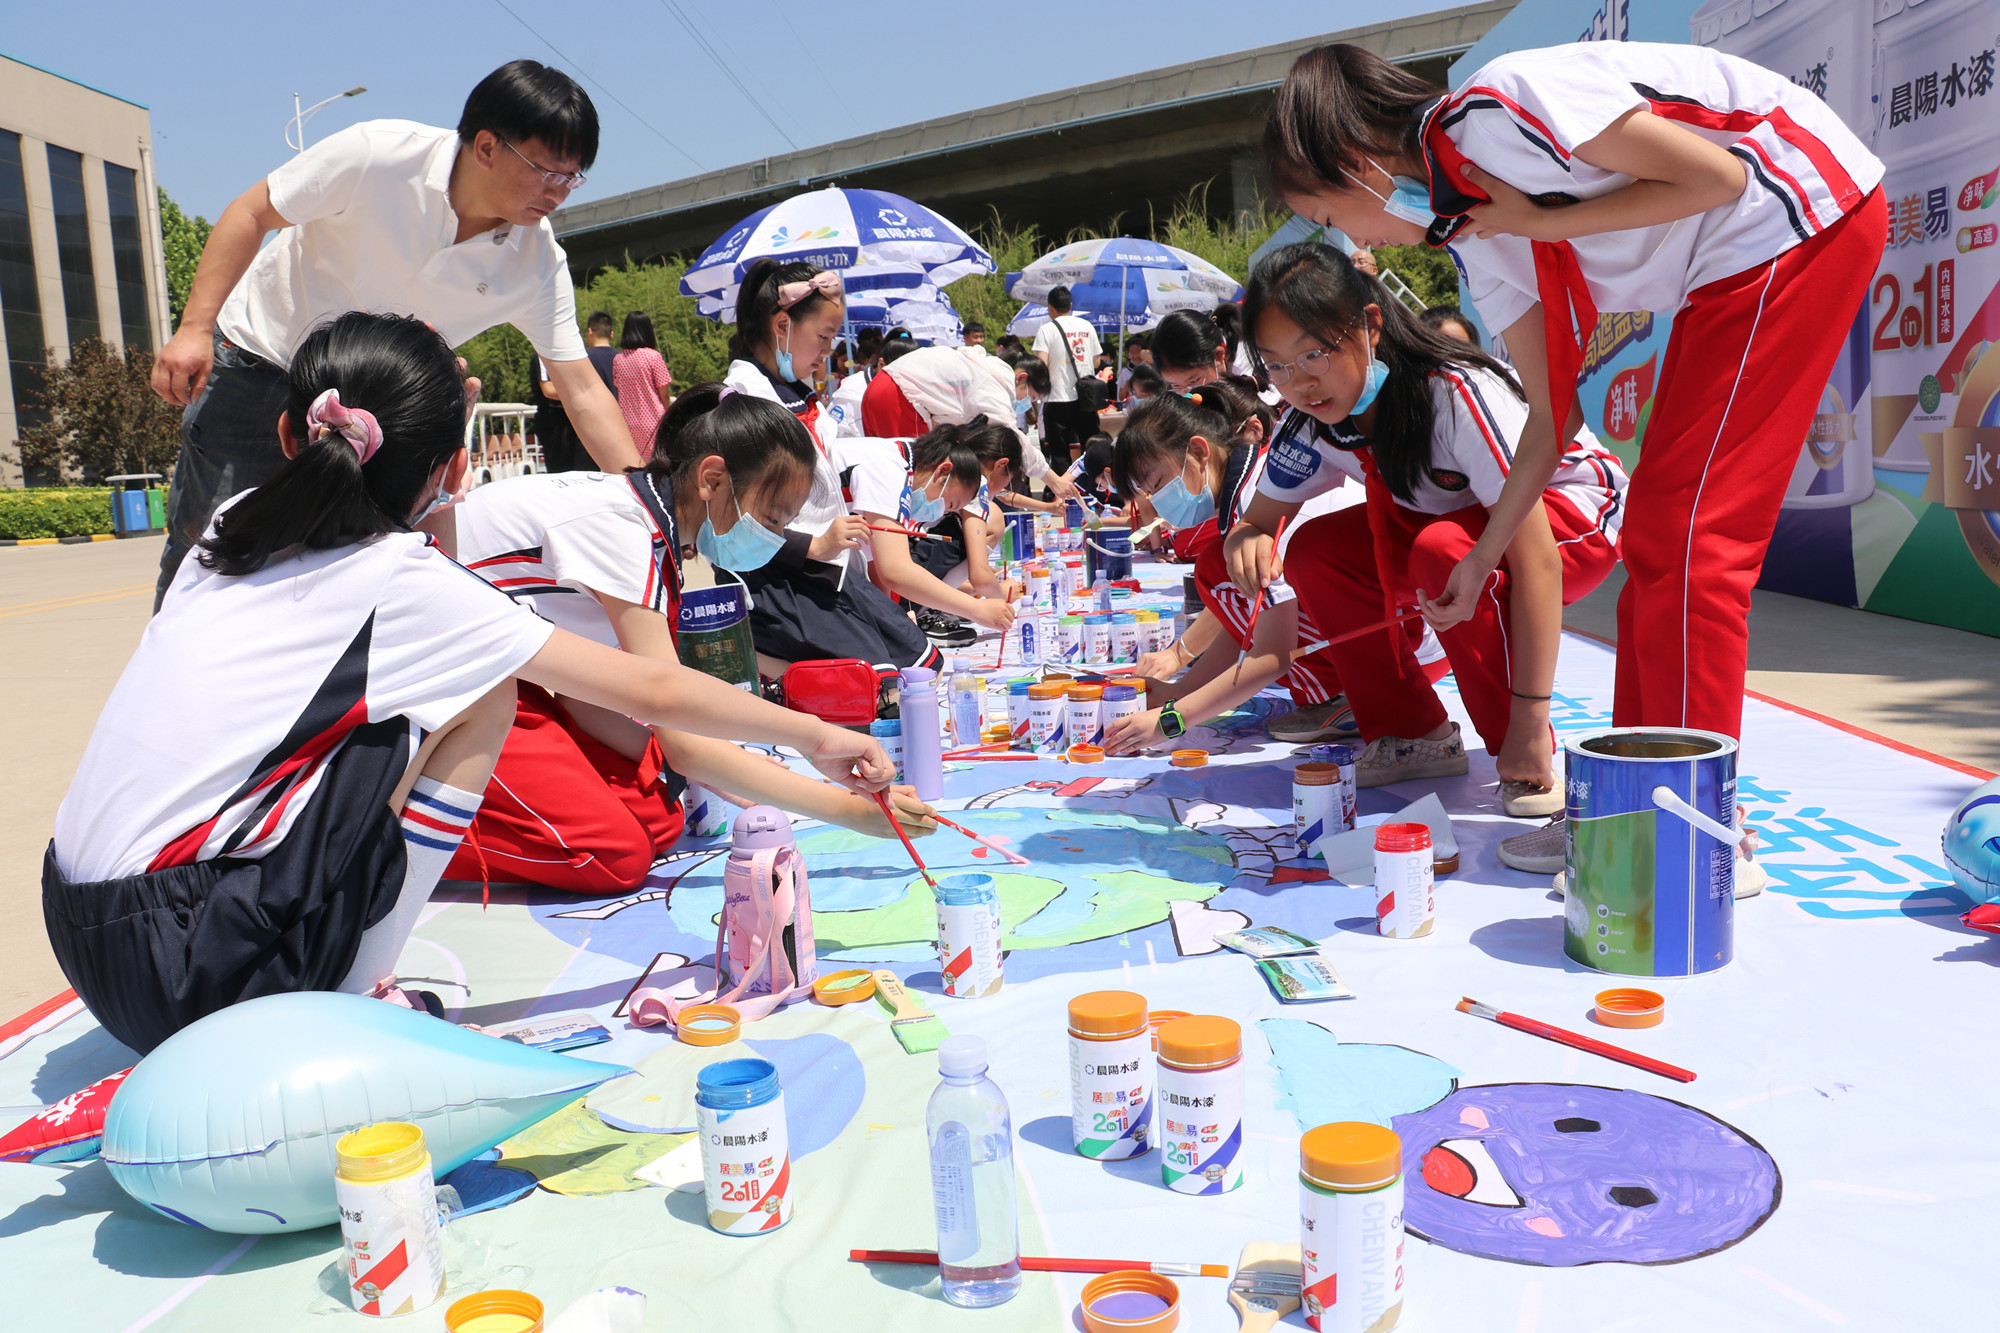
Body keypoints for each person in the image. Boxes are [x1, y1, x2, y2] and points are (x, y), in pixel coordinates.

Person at [45, 313, 892, 1055]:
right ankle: (357, 996)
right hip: (183, 974)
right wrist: (821, 739)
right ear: (455, 473)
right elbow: (659, 699)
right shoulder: (409, 579)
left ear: (286, 433)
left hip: (81, 932)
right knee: (493, 705)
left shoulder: (225, 531)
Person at [1261, 41, 1884, 867]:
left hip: (1796, 212)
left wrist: (1544, 220)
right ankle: (1634, 800)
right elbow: (1552, 421)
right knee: (1663, 543)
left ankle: (1688, 831)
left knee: (1688, 542)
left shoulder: (1497, 107)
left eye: (1334, 218)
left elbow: (1719, 180)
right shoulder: (1476, 238)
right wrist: (1484, 555)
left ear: (1357, 165)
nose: (1353, 243)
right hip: (1731, 265)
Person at [148, 60, 644, 605]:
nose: (559, 192)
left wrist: (645, 498)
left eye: (572, 177)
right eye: (547, 170)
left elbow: (581, 387)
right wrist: (194, 328)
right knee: (211, 556)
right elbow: (252, 212)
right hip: (264, 366)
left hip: (379, 420)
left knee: (350, 581)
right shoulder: (379, 154)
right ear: (486, 147)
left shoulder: (536, 260)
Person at [443, 384, 934, 894]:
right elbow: (669, 708)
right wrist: (838, 793)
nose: (775, 537)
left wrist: (719, 760)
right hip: (460, 685)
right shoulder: (619, 529)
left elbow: (613, 693)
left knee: (658, 817)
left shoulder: (656, 533)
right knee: (611, 854)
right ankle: (391, 826)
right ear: (713, 479)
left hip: (514, 675)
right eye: (771, 519)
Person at [1223, 244, 1626, 809]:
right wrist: (1248, 539)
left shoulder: (1452, 394)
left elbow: (1537, 559)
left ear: (1370, 325)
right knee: (1315, 550)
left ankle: (1523, 749)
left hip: (1570, 511)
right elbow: (1259, 520)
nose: (1300, 383)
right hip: (1453, 528)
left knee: (1442, 552)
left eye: (1315, 353)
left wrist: (1530, 717)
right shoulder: (1309, 423)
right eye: (1277, 366)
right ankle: (1412, 733)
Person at [1100, 379, 1361, 756]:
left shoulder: (1256, 503)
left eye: (1159, 484)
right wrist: (1181, 693)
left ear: (1199, 452)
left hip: (1395, 650)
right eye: (1149, 494)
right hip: (1396, 636)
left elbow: (1272, 653)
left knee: (1214, 571)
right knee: (1218, 571)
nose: (1159, 503)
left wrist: (1172, 720)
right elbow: (1246, 624)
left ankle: (1348, 695)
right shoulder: (1250, 488)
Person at [721, 259, 936, 671]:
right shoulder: (745, 399)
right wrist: (814, 544)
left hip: (824, 572)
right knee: (887, 682)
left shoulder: (794, 393)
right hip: (779, 584)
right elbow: (729, 521)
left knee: (921, 666)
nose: (828, 353)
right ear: (781, 325)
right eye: (823, 337)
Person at [838, 422, 1018, 641]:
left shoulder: (905, 467)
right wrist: (976, 609)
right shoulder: (889, 469)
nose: (938, 513)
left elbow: (877, 567)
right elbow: (893, 570)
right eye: (950, 504)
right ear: (943, 470)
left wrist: (890, 620)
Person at [1032, 285, 1103, 471]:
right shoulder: (1087, 326)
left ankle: (1066, 495)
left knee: (1059, 452)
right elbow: (1096, 362)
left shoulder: (1046, 330)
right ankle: (1095, 488)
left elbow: (1041, 364)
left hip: (1057, 398)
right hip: (1086, 398)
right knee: (1091, 446)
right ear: (1070, 305)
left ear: (1050, 308)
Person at [612, 311, 673, 461]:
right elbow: (664, 394)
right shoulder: (653, 356)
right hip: (653, 421)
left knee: (635, 465)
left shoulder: (618, 359)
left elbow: (619, 387)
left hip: (628, 423)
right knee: (658, 464)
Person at [529, 355, 582, 472]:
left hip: (573, 416)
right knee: (561, 470)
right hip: (553, 419)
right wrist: (578, 393)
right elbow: (548, 390)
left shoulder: (572, 355)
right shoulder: (541, 356)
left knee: (581, 469)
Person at [585, 310, 618, 392]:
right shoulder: (622, 357)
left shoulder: (584, 358)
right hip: (619, 404)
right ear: (611, 334)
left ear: (590, 331)